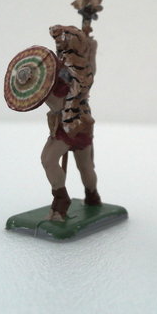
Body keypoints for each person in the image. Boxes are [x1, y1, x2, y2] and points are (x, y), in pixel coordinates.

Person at [41, 24, 101, 221]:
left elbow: (59, 102)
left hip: (75, 124)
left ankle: (78, 197)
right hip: (62, 124)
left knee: (82, 166)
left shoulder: (73, 73)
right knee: (51, 160)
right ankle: (64, 197)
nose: (58, 45)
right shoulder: (64, 66)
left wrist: (43, 92)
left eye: (61, 42)